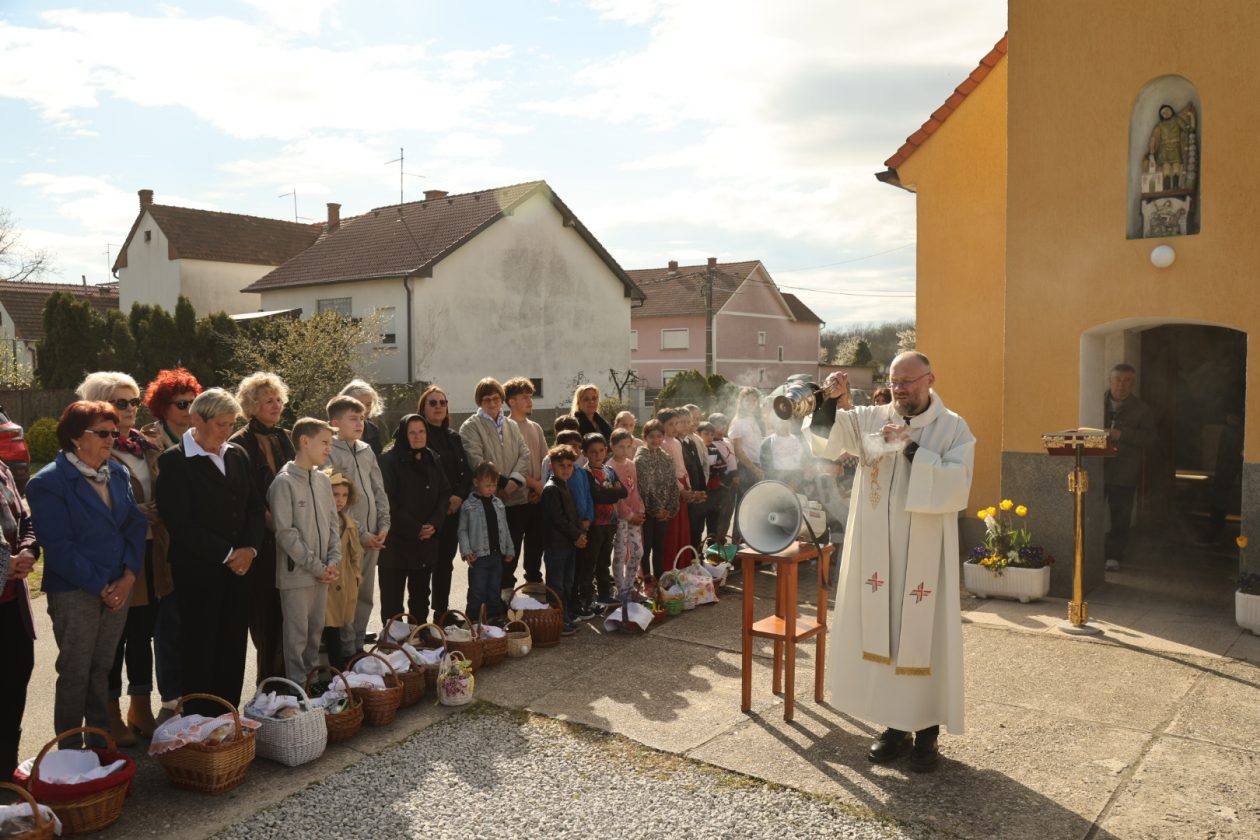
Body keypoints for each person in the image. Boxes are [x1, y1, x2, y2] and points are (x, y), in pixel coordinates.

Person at [807, 352, 973, 773]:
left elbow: (958, 484)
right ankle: (895, 729)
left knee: (923, 638)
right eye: (895, 382)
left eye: (908, 382)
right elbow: (825, 440)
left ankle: (927, 736)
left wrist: (912, 448)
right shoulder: (870, 418)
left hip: (925, 557)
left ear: (930, 379)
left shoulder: (953, 427)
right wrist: (830, 399)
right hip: (878, 556)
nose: (900, 389)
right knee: (888, 637)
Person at [27, 401, 147, 746]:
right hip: (75, 591)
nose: (112, 439)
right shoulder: (47, 483)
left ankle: (99, 743)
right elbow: (59, 546)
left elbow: (134, 526)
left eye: (114, 432)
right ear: (76, 438)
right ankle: (68, 750)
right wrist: (102, 586)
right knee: (76, 673)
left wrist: (126, 578)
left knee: (102, 668)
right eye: (104, 433)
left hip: (118, 587)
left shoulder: (118, 472)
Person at [156, 389, 265, 716]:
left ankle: (227, 719)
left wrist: (249, 549)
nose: (227, 431)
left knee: (233, 647)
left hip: (240, 569)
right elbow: (180, 523)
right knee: (201, 649)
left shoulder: (237, 455)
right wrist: (229, 553)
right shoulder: (174, 461)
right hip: (199, 572)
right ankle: (201, 726)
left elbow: (254, 507)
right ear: (197, 419)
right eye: (221, 424)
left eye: (232, 424)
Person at [77, 371, 167, 745]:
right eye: (120, 402)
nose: (130, 409)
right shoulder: (93, 450)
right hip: (114, 559)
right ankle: (109, 715)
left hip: (150, 553)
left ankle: (141, 708)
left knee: (143, 634)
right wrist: (132, 513)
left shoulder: (144, 445)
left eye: (134, 401)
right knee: (113, 639)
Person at [141, 368, 201, 725]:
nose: (188, 409)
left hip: (201, 546)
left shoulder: (200, 437)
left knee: (196, 621)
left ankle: (195, 691)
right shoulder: (150, 442)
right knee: (170, 623)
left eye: (193, 402)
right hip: (165, 546)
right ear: (163, 407)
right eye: (181, 403)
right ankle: (171, 697)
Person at [230, 372, 294, 682]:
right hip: (261, 540)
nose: (276, 405)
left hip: (291, 536)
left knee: (289, 614)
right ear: (251, 405)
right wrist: (271, 522)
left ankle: (288, 678)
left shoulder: (286, 436)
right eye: (268, 400)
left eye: (279, 399)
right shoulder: (239, 442)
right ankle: (268, 683)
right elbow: (246, 495)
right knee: (265, 616)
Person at [268, 418, 341, 686]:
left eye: (330, 444)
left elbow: (334, 523)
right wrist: (317, 566)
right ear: (304, 441)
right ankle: (298, 689)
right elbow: (286, 534)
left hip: (324, 573)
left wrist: (333, 560)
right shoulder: (283, 483)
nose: (328, 449)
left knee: (314, 634)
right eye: (324, 442)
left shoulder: (323, 480)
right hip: (297, 576)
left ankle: (314, 682)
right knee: (297, 636)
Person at [326, 395, 390, 656]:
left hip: (375, 535)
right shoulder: (329, 451)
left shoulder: (366, 449)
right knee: (348, 593)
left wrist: (384, 524)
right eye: (353, 418)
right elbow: (338, 501)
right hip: (349, 538)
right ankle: (345, 651)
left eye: (362, 418)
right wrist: (361, 534)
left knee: (365, 593)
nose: (359, 423)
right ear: (335, 422)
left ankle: (358, 645)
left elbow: (378, 489)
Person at [378, 415, 451, 622]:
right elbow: (387, 501)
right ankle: (393, 642)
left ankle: (419, 635)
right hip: (397, 542)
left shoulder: (432, 458)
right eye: (412, 432)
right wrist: (415, 527)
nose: (418, 437)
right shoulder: (388, 460)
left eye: (422, 432)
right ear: (403, 434)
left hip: (426, 541)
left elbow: (444, 492)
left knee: (420, 597)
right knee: (392, 599)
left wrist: (434, 524)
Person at [418, 385, 472, 621]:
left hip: (453, 509)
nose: (439, 406)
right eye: (433, 403)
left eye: (442, 402)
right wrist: (444, 501)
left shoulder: (453, 437)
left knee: (445, 564)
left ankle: (441, 611)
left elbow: (465, 473)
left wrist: (458, 496)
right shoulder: (419, 436)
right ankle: (418, 617)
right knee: (424, 565)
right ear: (423, 407)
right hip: (429, 511)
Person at [0, 459, 39, 775]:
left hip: (11, 601)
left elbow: (24, 518)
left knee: (15, 675)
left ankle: (5, 769)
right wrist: (3, 564)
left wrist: (27, 550)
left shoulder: (2, 468)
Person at [1103, 363, 1156, 571]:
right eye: (1118, 380)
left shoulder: (1142, 409)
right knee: (1086, 511)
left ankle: (1114, 556)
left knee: (1120, 515)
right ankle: (1084, 552)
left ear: (1133, 384)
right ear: (1110, 380)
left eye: (1127, 381)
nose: (1122, 385)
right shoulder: (1093, 401)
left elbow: (1150, 439)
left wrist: (1122, 435)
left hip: (1124, 471)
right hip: (1094, 468)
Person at [504, 377, 547, 591]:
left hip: (538, 497)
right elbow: (509, 465)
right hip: (516, 499)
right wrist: (532, 485)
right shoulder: (506, 428)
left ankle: (533, 583)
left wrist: (541, 487)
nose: (530, 401)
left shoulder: (536, 427)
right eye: (524, 397)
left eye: (531, 397)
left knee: (536, 544)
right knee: (512, 545)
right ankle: (506, 589)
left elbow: (545, 460)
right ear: (511, 401)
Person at [458, 462, 514, 624]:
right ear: (476, 483)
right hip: (478, 556)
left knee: (494, 586)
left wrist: (509, 548)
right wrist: (466, 551)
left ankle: (494, 616)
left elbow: (505, 527)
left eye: (494, 485)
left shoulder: (498, 503)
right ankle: (474, 618)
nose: (491, 488)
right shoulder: (468, 506)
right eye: (487, 485)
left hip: (496, 554)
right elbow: (462, 531)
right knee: (477, 588)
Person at [542, 446, 586, 636]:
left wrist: (580, 534)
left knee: (568, 583)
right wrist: (576, 535)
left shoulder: (565, 486)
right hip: (556, 546)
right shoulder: (551, 489)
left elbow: (574, 515)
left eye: (569, 465)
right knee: (556, 585)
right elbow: (558, 519)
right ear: (552, 466)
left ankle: (565, 616)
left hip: (569, 544)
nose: (566, 469)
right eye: (562, 465)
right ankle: (556, 621)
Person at [580, 433, 626, 611]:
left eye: (601, 451)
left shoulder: (609, 471)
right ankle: (587, 596)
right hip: (595, 523)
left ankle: (604, 593)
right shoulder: (586, 473)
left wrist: (609, 493)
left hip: (610, 522)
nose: (598, 455)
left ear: (606, 451)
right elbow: (596, 496)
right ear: (585, 453)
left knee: (604, 559)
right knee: (590, 561)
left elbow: (623, 493)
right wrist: (610, 492)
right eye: (593, 452)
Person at [324, 470, 363, 671]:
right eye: (335, 494)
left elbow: (356, 555)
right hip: (327, 582)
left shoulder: (349, 524)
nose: (340, 500)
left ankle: (345, 665)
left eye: (345, 495)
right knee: (328, 628)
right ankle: (333, 669)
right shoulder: (321, 521)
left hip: (345, 582)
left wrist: (356, 577)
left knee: (343, 625)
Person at [635, 420, 679, 581]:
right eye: (651, 436)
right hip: (647, 511)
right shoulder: (640, 459)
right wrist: (656, 509)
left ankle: (659, 579)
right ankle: (646, 579)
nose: (656, 440)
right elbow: (645, 487)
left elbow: (672, 483)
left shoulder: (666, 458)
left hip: (664, 512)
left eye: (659, 436)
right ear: (645, 437)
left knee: (659, 546)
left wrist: (670, 508)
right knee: (646, 547)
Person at [609, 429, 645, 601]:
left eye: (628, 446)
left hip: (634, 515)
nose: (625, 450)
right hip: (620, 517)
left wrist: (639, 511)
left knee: (638, 551)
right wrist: (629, 515)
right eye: (621, 446)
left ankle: (630, 586)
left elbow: (634, 490)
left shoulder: (631, 464)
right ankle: (620, 589)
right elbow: (617, 498)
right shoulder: (610, 467)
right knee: (621, 553)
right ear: (612, 446)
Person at [704, 415, 737, 544]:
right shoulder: (710, 444)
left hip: (732, 484)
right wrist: (727, 480)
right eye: (717, 426)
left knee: (727, 516)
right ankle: (713, 548)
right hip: (720, 486)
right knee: (716, 518)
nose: (721, 429)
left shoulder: (728, 441)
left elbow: (733, 461)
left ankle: (722, 543)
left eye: (724, 425)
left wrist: (736, 476)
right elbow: (714, 468)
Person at [727, 387, 765, 489]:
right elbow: (738, 451)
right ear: (741, 402)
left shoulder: (755, 419)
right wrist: (754, 470)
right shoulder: (737, 422)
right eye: (747, 400)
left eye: (754, 400)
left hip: (758, 465)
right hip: (745, 468)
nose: (751, 403)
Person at [339, 379, 386, 456]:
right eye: (359, 404)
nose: (364, 409)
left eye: (368, 404)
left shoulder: (373, 430)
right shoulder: (330, 430)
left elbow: (377, 461)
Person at [761, 418, 806, 492]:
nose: (783, 425)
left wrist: (795, 482)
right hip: (775, 485)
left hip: (796, 484)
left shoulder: (798, 441)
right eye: (780, 422)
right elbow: (766, 468)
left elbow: (803, 464)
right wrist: (779, 485)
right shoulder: (767, 443)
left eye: (786, 422)